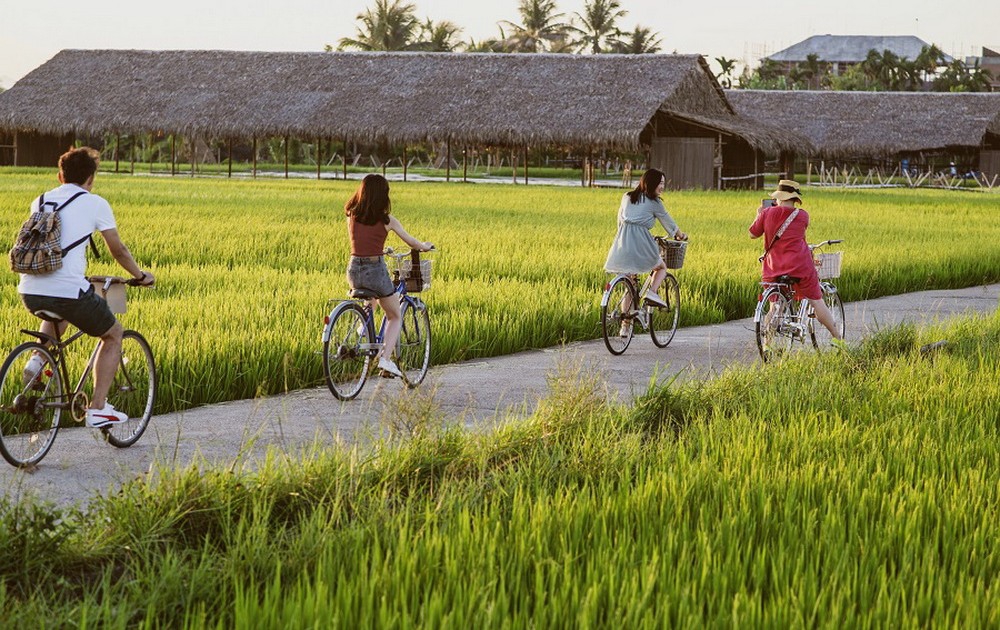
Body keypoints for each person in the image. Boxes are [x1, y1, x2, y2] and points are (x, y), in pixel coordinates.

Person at [18, 147, 155, 427]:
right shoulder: (95, 203)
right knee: (113, 334)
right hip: (66, 291)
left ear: (60, 176)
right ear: (91, 178)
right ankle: (98, 408)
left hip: (29, 291)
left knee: (61, 307)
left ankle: (36, 360)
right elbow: (117, 249)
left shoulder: (40, 200)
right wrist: (140, 275)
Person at [344, 174, 433, 378]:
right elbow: (412, 242)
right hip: (375, 271)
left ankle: (362, 327)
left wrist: (379, 250)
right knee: (394, 315)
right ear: (383, 196)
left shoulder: (351, 215)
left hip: (353, 269)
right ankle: (385, 359)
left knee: (371, 298)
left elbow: (360, 241)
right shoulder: (388, 221)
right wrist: (425, 246)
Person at [748, 179, 844, 344]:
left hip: (774, 267)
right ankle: (838, 339)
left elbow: (752, 234)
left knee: (774, 307)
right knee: (816, 300)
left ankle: (767, 346)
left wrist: (759, 215)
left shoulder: (766, 213)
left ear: (779, 197)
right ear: (794, 198)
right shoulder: (802, 215)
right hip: (800, 266)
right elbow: (798, 236)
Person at [603, 168, 687, 336]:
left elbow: (620, 220)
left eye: (663, 183)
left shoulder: (627, 196)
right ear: (652, 183)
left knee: (630, 284)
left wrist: (624, 236)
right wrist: (680, 235)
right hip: (641, 241)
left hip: (622, 240)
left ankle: (625, 327)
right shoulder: (655, 202)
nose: (662, 187)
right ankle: (652, 293)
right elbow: (669, 222)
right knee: (661, 267)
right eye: (660, 183)